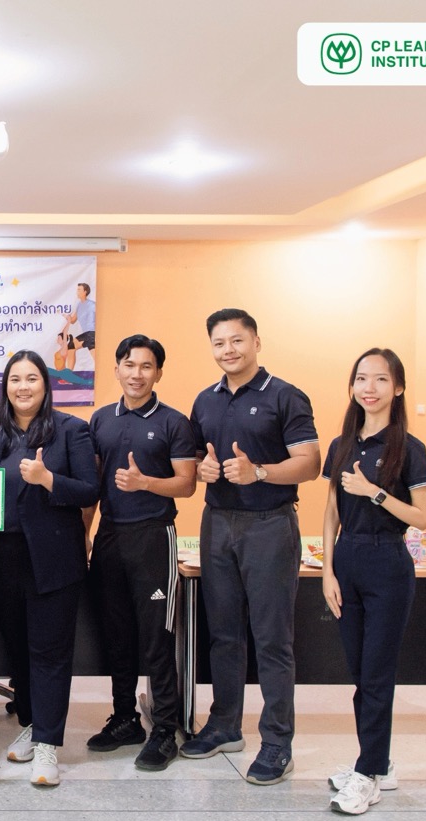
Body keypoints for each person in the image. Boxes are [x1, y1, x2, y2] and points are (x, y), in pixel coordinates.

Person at [181, 308, 320, 785]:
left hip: (270, 525)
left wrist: (258, 471)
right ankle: (224, 725)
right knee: (223, 634)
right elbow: (197, 457)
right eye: (219, 343)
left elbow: (310, 462)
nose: (229, 350)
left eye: (237, 340)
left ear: (256, 342)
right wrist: (203, 470)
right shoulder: (206, 400)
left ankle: (277, 743)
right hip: (217, 522)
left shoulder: (285, 395)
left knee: (272, 639)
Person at [0, 351, 96, 787]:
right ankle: (31, 723)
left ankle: (47, 744)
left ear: (46, 384)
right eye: (15, 379)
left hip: (53, 560)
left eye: (31, 379)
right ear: (5, 386)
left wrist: (48, 479)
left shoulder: (71, 430)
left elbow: (89, 490)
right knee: (18, 651)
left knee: (49, 652)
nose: (22, 387)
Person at [321, 348, 426, 815]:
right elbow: (331, 512)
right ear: (352, 386)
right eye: (362, 378)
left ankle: (367, 774)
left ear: (398, 388)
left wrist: (376, 493)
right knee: (360, 674)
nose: (369, 388)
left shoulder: (410, 448)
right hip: (346, 560)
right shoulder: (341, 445)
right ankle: (377, 763)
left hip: (388, 562)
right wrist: (327, 571)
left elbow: (422, 518)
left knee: (377, 675)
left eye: (381, 379)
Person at [85, 335, 197, 771]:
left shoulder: (174, 422)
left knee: (156, 637)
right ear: (116, 369)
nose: (137, 374)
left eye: (146, 366)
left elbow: (187, 484)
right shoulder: (100, 419)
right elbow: (94, 486)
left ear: (158, 373)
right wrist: (84, 534)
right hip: (110, 536)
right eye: (129, 365)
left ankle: (165, 728)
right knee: (117, 634)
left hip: (153, 536)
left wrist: (145, 483)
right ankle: (125, 719)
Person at [63, 283, 96, 371]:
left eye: (79, 290)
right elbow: (73, 320)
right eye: (77, 290)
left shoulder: (93, 305)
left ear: (85, 292)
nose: (77, 292)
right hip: (87, 334)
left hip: (92, 333)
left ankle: (68, 373)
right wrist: (66, 316)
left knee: (97, 359)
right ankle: (69, 373)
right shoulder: (79, 305)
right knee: (71, 346)